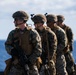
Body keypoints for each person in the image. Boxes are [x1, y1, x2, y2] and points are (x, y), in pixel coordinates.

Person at [4, 10, 42, 75]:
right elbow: (7, 45)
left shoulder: (32, 33)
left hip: (30, 65)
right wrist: (12, 50)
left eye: (16, 20)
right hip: (17, 64)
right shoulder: (13, 33)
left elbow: (38, 49)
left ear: (21, 20)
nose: (14, 22)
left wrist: (29, 61)